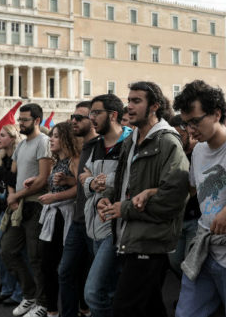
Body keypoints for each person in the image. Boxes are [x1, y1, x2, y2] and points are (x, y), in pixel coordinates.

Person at [97, 81, 190, 317]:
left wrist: (125, 209)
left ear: (154, 106)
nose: (129, 106)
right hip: (128, 235)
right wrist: (107, 199)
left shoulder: (168, 142)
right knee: (148, 306)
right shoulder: (131, 139)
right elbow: (122, 181)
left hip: (151, 240)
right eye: (128, 100)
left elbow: (173, 198)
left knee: (124, 308)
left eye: (136, 101)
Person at [172, 80, 226, 317]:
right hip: (203, 248)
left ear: (216, 113)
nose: (191, 129)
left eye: (195, 121)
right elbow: (195, 190)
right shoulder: (199, 150)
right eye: (186, 124)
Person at [24, 121, 81, 317]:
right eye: (52, 135)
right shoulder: (57, 161)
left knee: (61, 266)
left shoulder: (75, 160)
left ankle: (70, 309)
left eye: (56, 136)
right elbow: (56, 186)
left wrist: (55, 196)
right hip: (52, 215)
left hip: (65, 216)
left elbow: (79, 188)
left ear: (66, 138)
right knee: (47, 264)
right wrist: (38, 183)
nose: (51, 139)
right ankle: (51, 310)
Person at [82, 93, 131, 317]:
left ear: (112, 115)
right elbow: (84, 179)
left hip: (115, 225)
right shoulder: (95, 145)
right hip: (94, 225)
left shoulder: (130, 143)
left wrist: (100, 181)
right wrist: (93, 182)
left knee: (93, 292)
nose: (91, 117)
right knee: (109, 289)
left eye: (96, 113)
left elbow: (131, 180)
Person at [1, 103, 52, 317]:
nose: (20, 123)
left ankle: (43, 302)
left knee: (35, 257)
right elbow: (13, 174)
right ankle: (29, 295)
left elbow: (43, 179)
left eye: (25, 120)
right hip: (19, 205)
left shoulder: (44, 142)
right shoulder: (21, 145)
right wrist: (12, 195)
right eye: (19, 120)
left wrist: (17, 195)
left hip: (36, 205)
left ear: (37, 121)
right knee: (7, 251)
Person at [60, 101, 97, 317]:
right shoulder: (82, 147)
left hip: (95, 222)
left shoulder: (100, 146)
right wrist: (69, 180)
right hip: (78, 219)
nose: (73, 121)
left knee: (95, 280)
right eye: (72, 117)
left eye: (79, 117)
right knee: (65, 272)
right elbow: (81, 182)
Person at [0, 123, 26, 307]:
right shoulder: (0, 158)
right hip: (4, 211)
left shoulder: (18, 158)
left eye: (2, 135)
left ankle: (20, 292)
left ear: (12, 138)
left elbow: (16, 182)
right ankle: (8, 287)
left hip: (17, 209)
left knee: (14, 253)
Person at [167, 114, 201, 277]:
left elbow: (192, 189)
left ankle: (187, 299)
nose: (177, 140)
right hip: (176, 219)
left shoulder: (199, 153)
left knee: (191, 264)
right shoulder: (171, 153)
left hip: (195, 219)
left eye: (181, 136)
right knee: (174, 261)